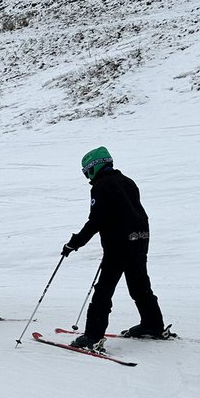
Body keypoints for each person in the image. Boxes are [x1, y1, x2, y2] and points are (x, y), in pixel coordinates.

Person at [62, 147, 166, 352]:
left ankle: (92, 336)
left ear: (94, 167)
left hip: (119, 245)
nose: (86, 177)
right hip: (140, 239)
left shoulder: (101, 186)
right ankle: (152, 324)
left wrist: (75, 243)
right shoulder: (128, 181)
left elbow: (96, 220)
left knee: (103, 291)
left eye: (86, 172)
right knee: (139, 284)